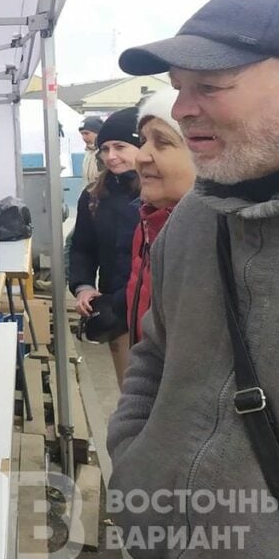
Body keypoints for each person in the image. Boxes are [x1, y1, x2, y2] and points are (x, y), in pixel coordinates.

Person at [108, 0, 279, 559]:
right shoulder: (194, 221)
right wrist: (134, 461)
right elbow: (154, 352)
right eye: (178, 88)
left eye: (211, 86)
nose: (182, 109)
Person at [68, 106, 141, 389]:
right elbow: (82, 248)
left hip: (160, 315)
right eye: (105, 148)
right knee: (131, 393)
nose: (111, 156)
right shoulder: (93, 197)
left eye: (120, 146)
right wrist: (83, 285)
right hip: (118, 312)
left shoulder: (163, 193)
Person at [124, 88, 195, 344]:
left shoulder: (220, 240)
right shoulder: (147, 225)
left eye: (162, 142)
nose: (141, 156)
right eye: (143, 140)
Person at [79, 115, 104, 185]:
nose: (84, 137)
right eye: (82, 134)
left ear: (98, 133)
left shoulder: (104, 153)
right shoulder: (88, 153)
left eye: (87, 133)